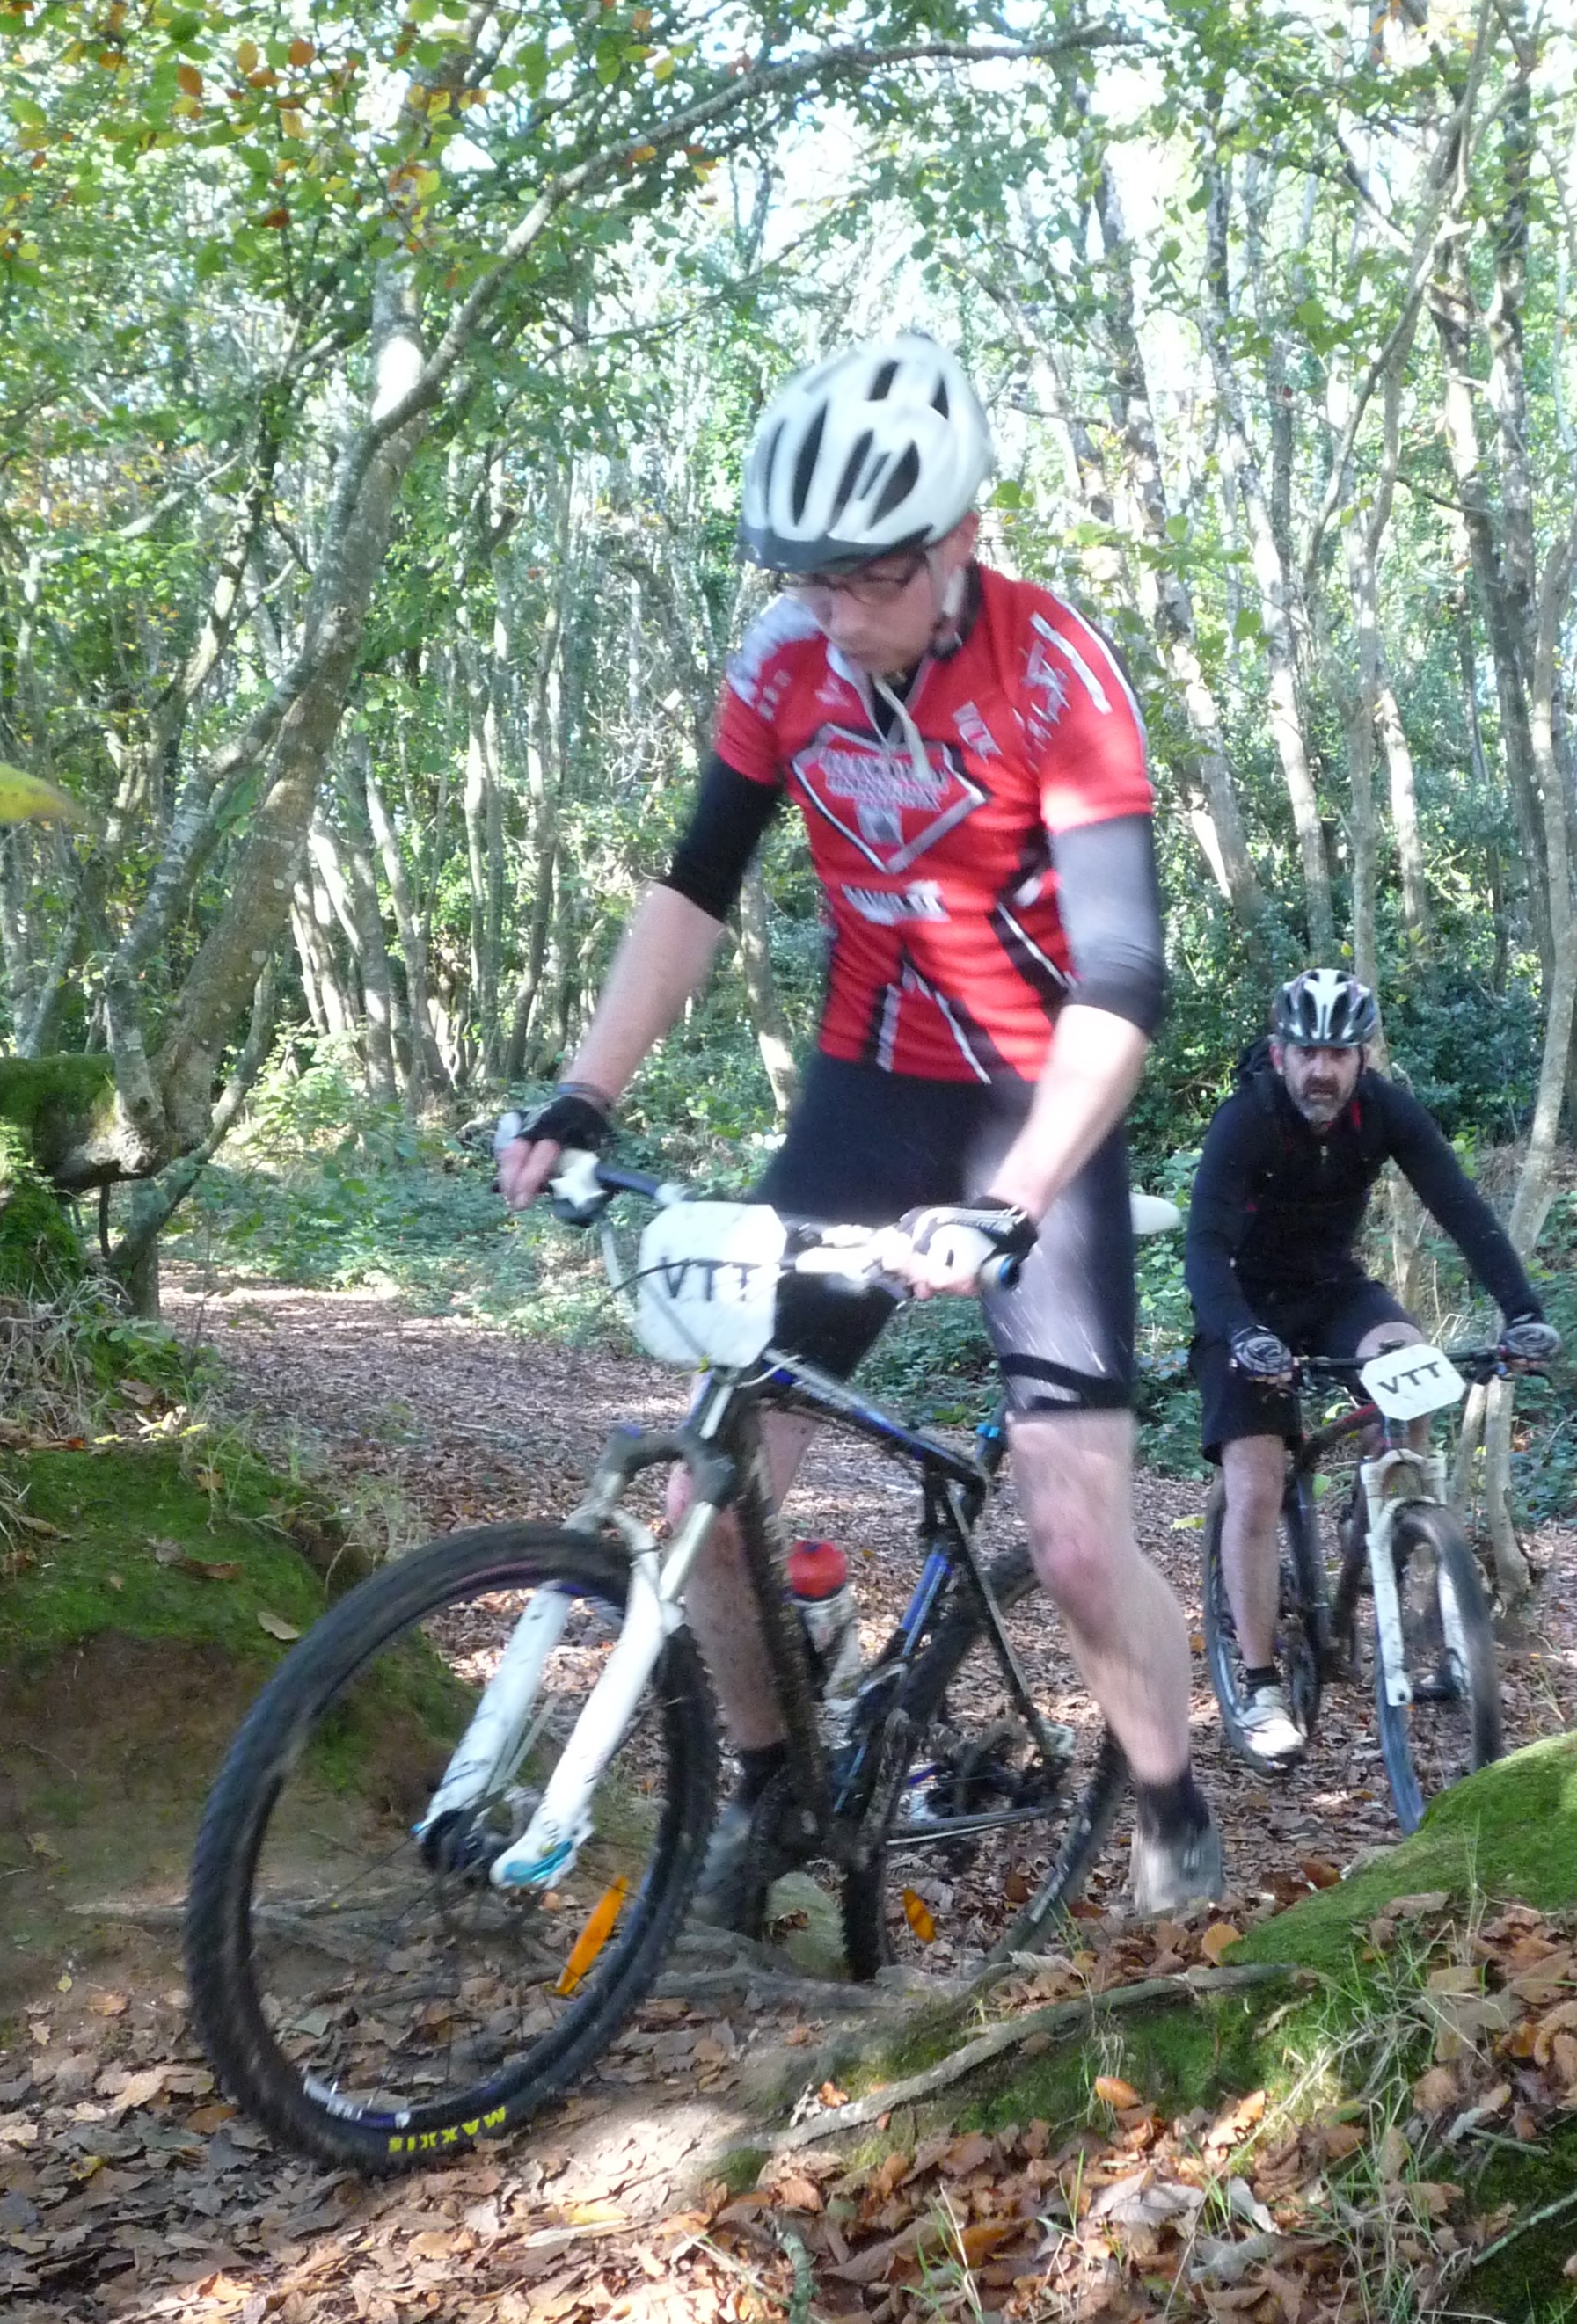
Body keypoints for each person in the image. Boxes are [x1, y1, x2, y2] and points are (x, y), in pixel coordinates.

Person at [500, 332, 1223, 1918]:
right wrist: (586, 1086)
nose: (833, 613)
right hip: (867, 1092)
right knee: (710, 1491)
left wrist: (1016, 1197)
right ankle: (776, 1784)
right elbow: (696, 883)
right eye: (806, 576)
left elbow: (1121, 973)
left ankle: (1172, 1800)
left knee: (1073, 1530)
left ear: (959, 536)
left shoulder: (1055, 671)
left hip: (1040, 1103)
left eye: (867, 578)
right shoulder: (784, 663)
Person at [1185, 966, 1559, 1769]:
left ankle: (1383, 1525)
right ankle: (1261, 1686)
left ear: (1362, 1058)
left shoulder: (1383, 1110)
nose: (1321, 1070)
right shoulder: (1248, 1118)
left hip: (1334, 1292)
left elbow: (1459, 1206)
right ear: (1281, 1054)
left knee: (1414, 1371)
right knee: (1257, 1485)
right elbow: (1205, 1248)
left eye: (1339, 1054)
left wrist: (1522, 1309)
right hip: (1243, 1304)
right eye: (1308, 1052)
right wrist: (1241, 1334)